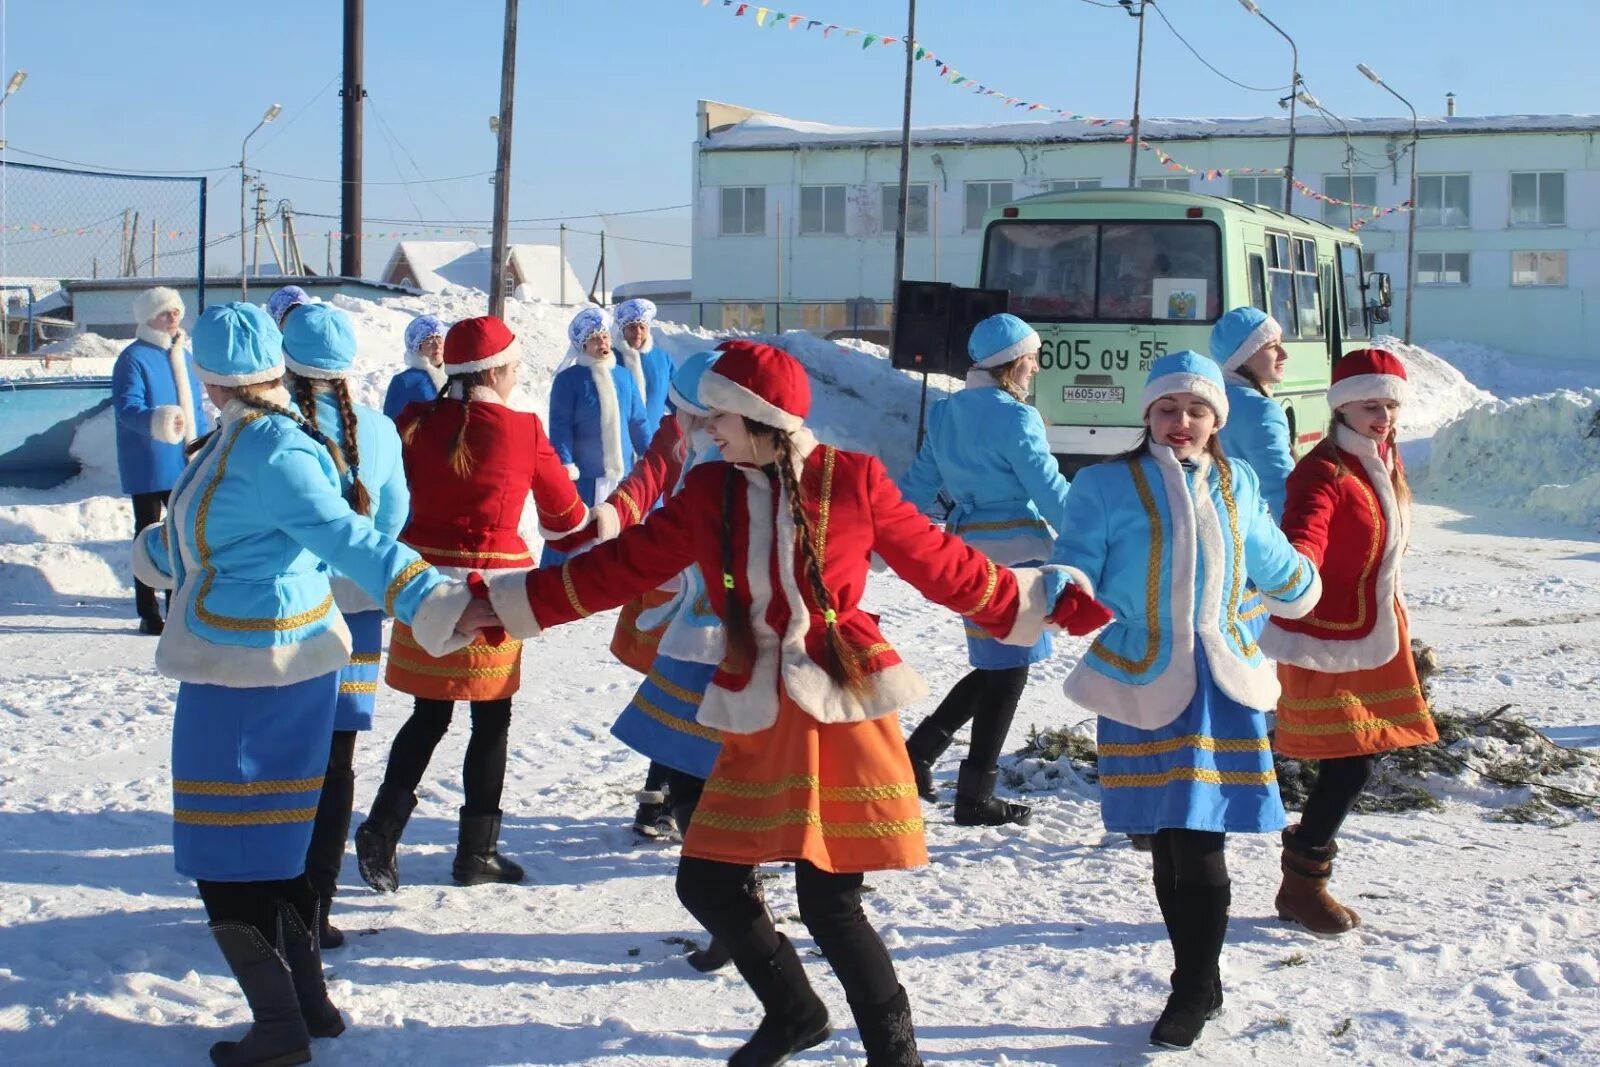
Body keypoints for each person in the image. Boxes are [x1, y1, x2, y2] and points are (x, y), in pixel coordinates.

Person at [476, 340, 1108, 1066]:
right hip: (757, 709)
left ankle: (896, 1056)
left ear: (759, 417)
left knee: (831, 904)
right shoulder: (711, 490)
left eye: (720, 415)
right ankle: (795, 1010)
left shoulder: (854, 479)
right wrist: (503, 604)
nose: (710, 429)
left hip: (841, 707)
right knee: (707, 880)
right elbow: (621, 565)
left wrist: (1038, 596)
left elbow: (943, 564)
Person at [129, 301, 477, 1067]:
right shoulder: (244, 438)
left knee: (224, 858)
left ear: (215, 379)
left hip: (254, 671)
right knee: (270, 851)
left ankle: (280, 1026)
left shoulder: (270, 449)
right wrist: (155, 554)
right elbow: (219, 535)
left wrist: (433, 599)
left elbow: (353, 538)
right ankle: (307, 1004)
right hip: (246, 658)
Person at [1048, 350, 1321, 1051]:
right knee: (1167, 843)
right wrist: (1062, 584)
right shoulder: (1107, 484)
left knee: (1200, 842)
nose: (1181, 421)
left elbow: (1272, 560)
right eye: (1168, 408)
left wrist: (1305, 580)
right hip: (1142, 676)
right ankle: (1201, 974)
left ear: (1215, 419)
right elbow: (1079, 555)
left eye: (1196, 409)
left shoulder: (1236, 480)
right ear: (1147, 414)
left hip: (1220, 685)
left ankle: (1193, 986)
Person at [355, 316, 592, 893]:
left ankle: (383, 829)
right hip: (492, 596)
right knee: (491, 720)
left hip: (424, 589)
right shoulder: (520, 429)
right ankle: (476, 852)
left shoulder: (413, 422)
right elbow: (566, 523)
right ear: (498, 371)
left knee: (429, 714)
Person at [546, 349, 743, 968]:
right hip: (687, 615)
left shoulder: (761, 450)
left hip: (747, 638)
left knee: (728, 769)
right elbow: (651, 476)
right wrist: (611, 517)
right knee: (692, 759)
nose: (703, 425)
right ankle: (731, 906)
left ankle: (741, 906)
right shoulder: (684, 433)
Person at [1261, 348, 1438, 936]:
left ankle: (1304, 874)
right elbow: (1304, 531)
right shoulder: (1324, 469)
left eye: (1390, 405)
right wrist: (1297, 571)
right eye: (1370, 406)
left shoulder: (1384, 456)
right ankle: (1303, 880)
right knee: (1353, 758)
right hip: (1330, 631)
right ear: (1342, 407)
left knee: (1364, 753)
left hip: (1376, 624)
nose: (1383, 416)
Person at [899, 313, 1071, 827]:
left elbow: (917, 481)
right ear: (1014, 364)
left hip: (969, 557)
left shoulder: (949, 413)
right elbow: (1048, 487)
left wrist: (884, 530)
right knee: (1009, 670)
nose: (1036, 369)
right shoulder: (1017, 418)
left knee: (1000, 667)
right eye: (1032, 360)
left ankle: (921, 755)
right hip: (1018, 556)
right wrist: (1093, 537)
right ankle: (973, 793)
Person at [281, 303, 412, 950]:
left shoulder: (274, 428)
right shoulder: (381, 430)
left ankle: (274, 896)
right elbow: (394, 515)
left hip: (286, 609)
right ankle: (319, 905)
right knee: (337, 761)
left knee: (282, 758)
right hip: (357, 613)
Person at [112, 286, 211, 635]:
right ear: (148, 317)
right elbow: (127, 409)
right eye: (165, 312)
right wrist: (161, 421)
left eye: (177, 311)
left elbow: (195, 406)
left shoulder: (182, 355)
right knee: (148, 535)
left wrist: (201, 439)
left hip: (183, 459)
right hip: (149, 459)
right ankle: (148, 611)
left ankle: (178, 603)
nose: (173, 318)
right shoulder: (133, 358)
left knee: (181, 535)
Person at [541, 306, 650, 565]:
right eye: (594, 338)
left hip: (622, 475)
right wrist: (566, 465)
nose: (602, 342)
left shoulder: (623, 376)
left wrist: (651, 453)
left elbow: (638, 420)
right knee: (577, 535)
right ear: (582, 345)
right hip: (586, 476)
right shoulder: (569, 380)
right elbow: (560, 426)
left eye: (605, 336)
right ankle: (557, 581)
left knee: (620, 536)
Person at [1209, 307, 1295, 519]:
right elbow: (1280, 485)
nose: (1284, 354)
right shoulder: (1261, 410)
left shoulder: (1211, 400)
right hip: (1254, 530)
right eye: (1273, 347)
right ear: (1243, 356)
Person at [613, 297, 674, 433]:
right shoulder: (610, 359)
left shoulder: (662, 358)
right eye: (632, 327)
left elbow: (677, 398)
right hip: (620, 441)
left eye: (642, 327)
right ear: (623, 330)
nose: (638, 332)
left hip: (655, 439)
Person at [383, 314, 447, 420]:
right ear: (417, 348)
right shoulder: (405, 381)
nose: (437, 346)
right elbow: (390, 423)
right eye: (429, 342)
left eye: (440, 340)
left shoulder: (455, 377)